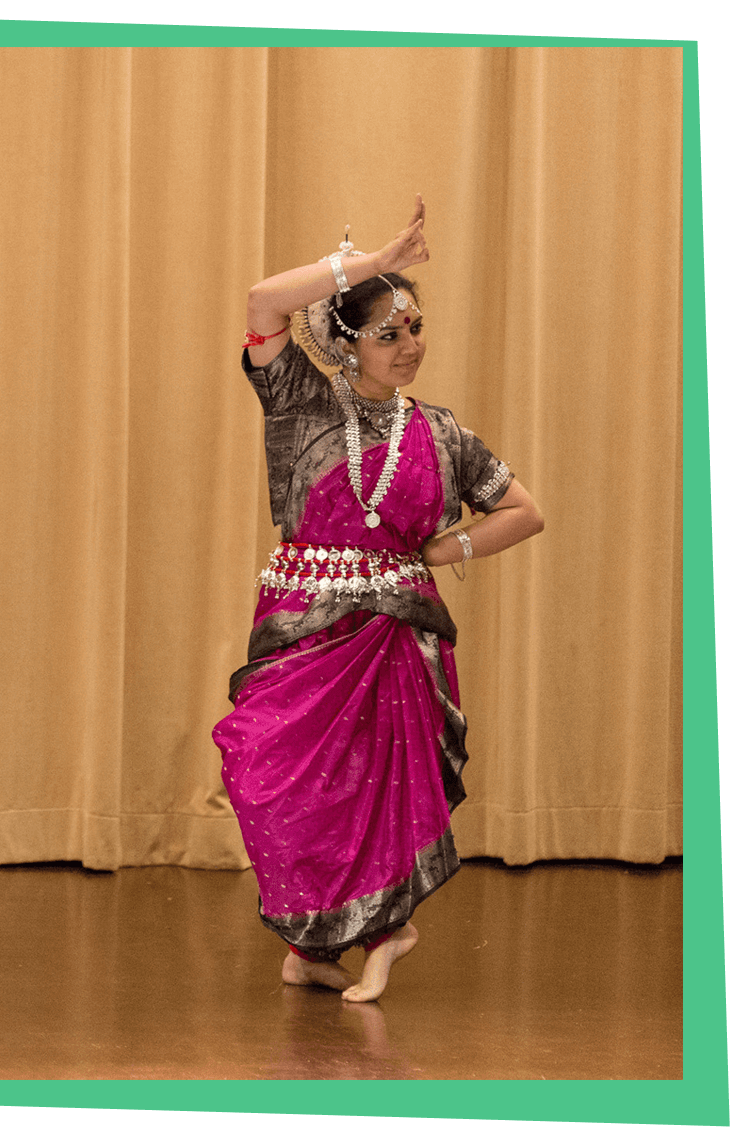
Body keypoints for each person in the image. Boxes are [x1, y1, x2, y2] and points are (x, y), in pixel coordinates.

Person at [212, 196, 542, 1003]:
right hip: (299, 634)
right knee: (272, 775)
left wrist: (444, 547)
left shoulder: (440, 431)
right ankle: (310, 944)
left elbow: (524, 511)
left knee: (375, 785)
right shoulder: (299, 400)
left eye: (415, 328)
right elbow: (263, 301)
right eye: (389, 332)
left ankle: (390, 931)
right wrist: (371, 259)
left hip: (392, 633)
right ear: (345, 339)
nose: (410, 346)